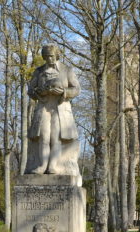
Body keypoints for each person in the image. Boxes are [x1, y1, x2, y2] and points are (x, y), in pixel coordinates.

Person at [25, 44, 81, 176]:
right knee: (44, 137)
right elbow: (30, 91)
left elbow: (77, 89)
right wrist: (39, 92)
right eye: (46, 57)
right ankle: (42, 164)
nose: (49, 59)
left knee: (56, 137)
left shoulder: (67, 70)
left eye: (51, 56)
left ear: (56, 55)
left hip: (60, 108)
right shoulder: (38, 71)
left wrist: (64, 92)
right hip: (44, 106)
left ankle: (53, 166)